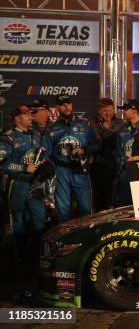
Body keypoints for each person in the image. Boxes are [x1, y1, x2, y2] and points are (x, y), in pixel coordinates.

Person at [0, 106, 46, 263]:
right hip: (17, 183)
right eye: (26, 115)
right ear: (17, 119)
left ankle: (38, 255)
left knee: (39, 218)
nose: (30, 118)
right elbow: (2, 163)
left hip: (35, 184)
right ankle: (18, 255)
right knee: (17, 220)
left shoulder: (36, 133)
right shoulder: (8, 137)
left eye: (30, 115)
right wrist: (24, 168)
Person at [43, 95, 99, 221]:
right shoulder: (52, 128)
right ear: (57, 107)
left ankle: (87, 238)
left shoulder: (85, 124)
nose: (66, 107)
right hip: (61, 170)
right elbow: (46, 153)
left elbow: (97, 143)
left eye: (68, 103)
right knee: (63, 209)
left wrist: (84, 150)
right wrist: (51, 171)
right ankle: (65, 239)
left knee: (85, 208)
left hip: (80, 169)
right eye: (62, 104)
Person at [90, 98, 123, 211]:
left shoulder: (120, 123)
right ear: (99, 111)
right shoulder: (92, 124)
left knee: (114, 199)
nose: (108, 113)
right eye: (105, 110)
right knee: (98, 200)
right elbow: (90, 144)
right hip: (97, 166)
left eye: (110, 110)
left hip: (116, 166)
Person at [113, 99, 139, 207]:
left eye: (126, 109)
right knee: (124, 205)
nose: (123, 112)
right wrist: (120, 169)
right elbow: (118, 152)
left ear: (134, 111)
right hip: (125, 173)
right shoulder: (122, 130)